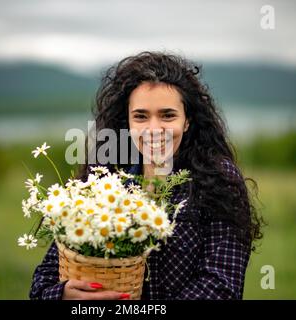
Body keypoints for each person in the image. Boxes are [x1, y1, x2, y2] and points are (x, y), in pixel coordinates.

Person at [29, 51, 263, 300]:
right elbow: (42, 283)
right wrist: (63, 294)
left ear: (187, 121)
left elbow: (222, 286)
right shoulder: (104, 179)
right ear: (127, 122)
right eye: (140, 116)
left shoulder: (218, 179)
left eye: (167, 115)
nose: (153, 129)